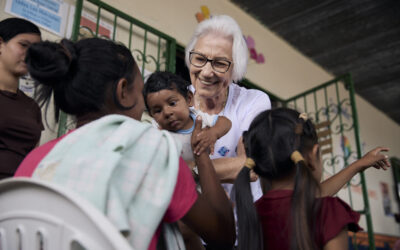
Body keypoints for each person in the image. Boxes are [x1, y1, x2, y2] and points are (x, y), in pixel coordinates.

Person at [14, 38, 235, 250]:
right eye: (140, 93)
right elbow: (223, 236)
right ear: (123, 92)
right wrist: (202, 153)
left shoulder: (34, 161)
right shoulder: (151, 151)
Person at [234, 108, 391, 250]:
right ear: (313, 154)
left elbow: (311, 195)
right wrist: (359, 164)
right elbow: (313, 197)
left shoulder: (250, 213)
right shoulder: (328, 211)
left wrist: (358, 164)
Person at [143, 71, 231, 164]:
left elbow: (225, 122)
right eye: (158, 110)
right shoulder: (160, 135)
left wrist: (213, 133)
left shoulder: (199, 118)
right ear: (151, 115)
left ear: (188, 98)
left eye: (172, 103)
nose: (167, 113)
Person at [0, 17, 43, 179]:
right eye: (24, 45)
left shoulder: (32, 107)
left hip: (17, 193)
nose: (30, 54)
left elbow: (33, 159)